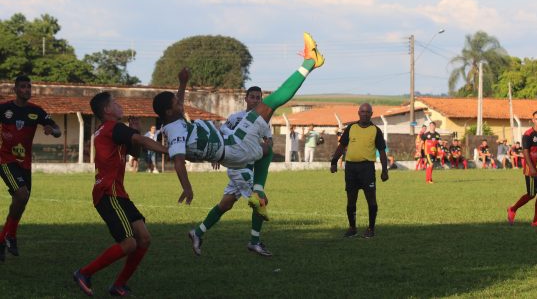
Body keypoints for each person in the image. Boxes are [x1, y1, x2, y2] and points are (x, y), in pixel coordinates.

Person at [152, 32, 324, 229]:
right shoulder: (174, 131)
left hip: (232, 144)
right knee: (270, 103)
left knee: (266, 148)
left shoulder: (175, 121)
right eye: (176, 104)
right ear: (168, 112)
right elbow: (179, 161)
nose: (180, 105)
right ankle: (311, 61)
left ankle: (255, 196)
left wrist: (182, 83)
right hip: (233, 148)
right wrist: (187, 188)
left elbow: (179, 109)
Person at [73, 92, 168, 296]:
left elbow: (135, 152)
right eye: (114, 103)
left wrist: (134, 132)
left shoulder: (107, 130)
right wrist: (169, 151)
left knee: (144, 238)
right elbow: (142, 142)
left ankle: (118, 285)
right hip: (108, 194)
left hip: (118, 194)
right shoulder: (112, 127)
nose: (119, 104)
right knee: (129, 243)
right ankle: (84, 273)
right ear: (107, 110)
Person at [189, 86, 273, 257]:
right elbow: (220, 137)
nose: (256, 100)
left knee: (225, 204)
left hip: (248, 166)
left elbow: (269, 141)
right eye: (252, 97)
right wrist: (215, 156)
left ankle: (197, 232)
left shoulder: (263, 120)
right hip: (239, 168)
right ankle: (254, 242)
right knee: (260, 200)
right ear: (246, 99)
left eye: (259, 98)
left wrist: (266, 147)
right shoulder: (235, 118)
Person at [0, 75, 62, 262]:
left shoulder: (37, 111)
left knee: (20, 201)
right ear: (15, 89)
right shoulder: (4, 108)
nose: (27, 89)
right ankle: (11, 235)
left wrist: (53, 131)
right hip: (5, 160)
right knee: (21, 194)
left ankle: (3, 239)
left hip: (24, 163)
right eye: (23, 87)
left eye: (29, 87)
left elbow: (58, 130)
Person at [330, 103, 388, 238]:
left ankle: (371, 229)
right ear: (358, 113)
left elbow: (382, 151)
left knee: (371, 199)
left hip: (367, 168)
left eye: (368, 112)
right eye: (363, 111)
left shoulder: (376, 130)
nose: (365, 114)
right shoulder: (351, 128)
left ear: (372, 114)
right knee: (351, 199)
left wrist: (385, 170)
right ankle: (352, 228)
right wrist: (333, 162)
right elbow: (341, 146)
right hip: (350, 168)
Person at [506, 110, 537, 228]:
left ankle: (536, 220)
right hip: (531, 169)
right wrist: (532, 168)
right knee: (531, 194)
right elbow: (525, 152)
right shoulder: (528, 134)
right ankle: (512, 209)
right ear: (533, 120)